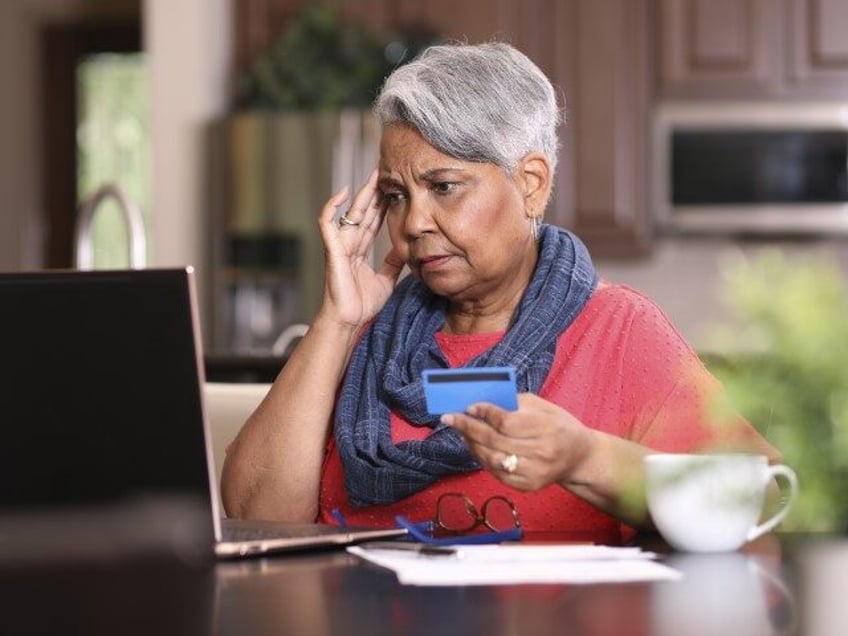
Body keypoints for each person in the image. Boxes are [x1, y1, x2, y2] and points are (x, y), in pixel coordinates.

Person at [221, 41, 778, 544]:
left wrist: (587, 458)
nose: (413, 223)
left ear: (530, 184)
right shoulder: (365, 333)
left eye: (443, 187)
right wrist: (338, 321)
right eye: (395, 195)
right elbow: (254, 513)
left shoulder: (618, 330)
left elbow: (762, 501)